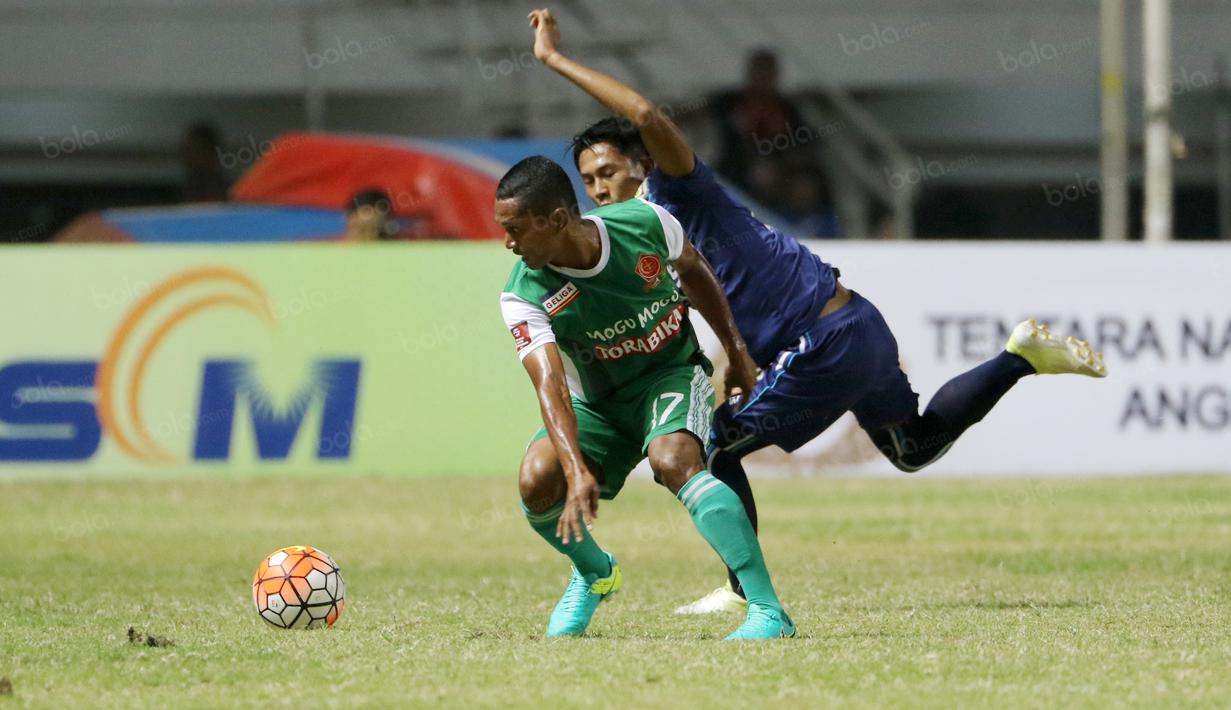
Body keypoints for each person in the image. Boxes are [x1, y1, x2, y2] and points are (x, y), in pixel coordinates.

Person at [525, 8, 1108, 615]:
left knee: (712, 446)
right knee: (912, 448)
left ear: (642, 164)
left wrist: (555, 59)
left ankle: (742, 591)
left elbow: (646, 117)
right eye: (588, 180)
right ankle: (1018, 359)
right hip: (856, 326)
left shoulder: (675, 188)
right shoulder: (629, 239)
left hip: (820, 336)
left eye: (608, 171)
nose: (599, 189)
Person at [496, 155, 795, 639]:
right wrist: (574, 470)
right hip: (596, 403)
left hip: (668, 375)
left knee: (674, 460)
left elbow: (695, 270)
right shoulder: (522, 293)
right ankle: (595, 574)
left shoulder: (645, 222)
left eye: (515, 230)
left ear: (556, 219)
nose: (508, 243)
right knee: (536, 482)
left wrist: (738, 353)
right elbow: (550, 383)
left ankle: (767, 610)